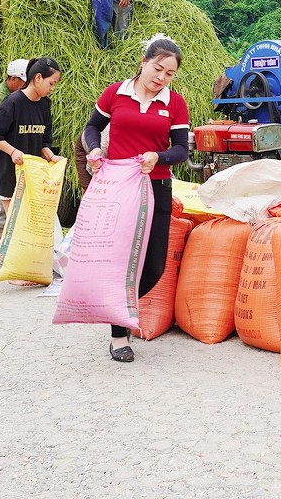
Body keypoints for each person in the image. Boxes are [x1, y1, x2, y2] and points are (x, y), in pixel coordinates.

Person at [82, 34, 189, 363]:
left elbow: (181, 150)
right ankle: (118, 333)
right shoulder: (116, 93)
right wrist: (94, 149)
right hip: (117, 188)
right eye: (157, 69)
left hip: (155, 187)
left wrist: (159, 157)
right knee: (119, 260)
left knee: (154, 264)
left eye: (169, 74)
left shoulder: (175, 103)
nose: (161, 78)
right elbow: (91, 128)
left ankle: (117, 308)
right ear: (143, 63)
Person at [0, 57, 63, 285]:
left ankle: (31, 268)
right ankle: (16, 272)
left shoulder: (44, 105)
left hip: (32, 175)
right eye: (51, 83)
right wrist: (12, 152)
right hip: (9, 173)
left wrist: (50, 156)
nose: (52, 88)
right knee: (16, 222)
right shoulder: (12, 103)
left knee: (30, 222)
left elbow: (43, 141)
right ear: (37, 78)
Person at [0, 58, 28, 259]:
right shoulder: (0, 98)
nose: (26, 86)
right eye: (23, 82)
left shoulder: (16, 97)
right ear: (13, 79)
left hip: (12, 162)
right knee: (1, 208)